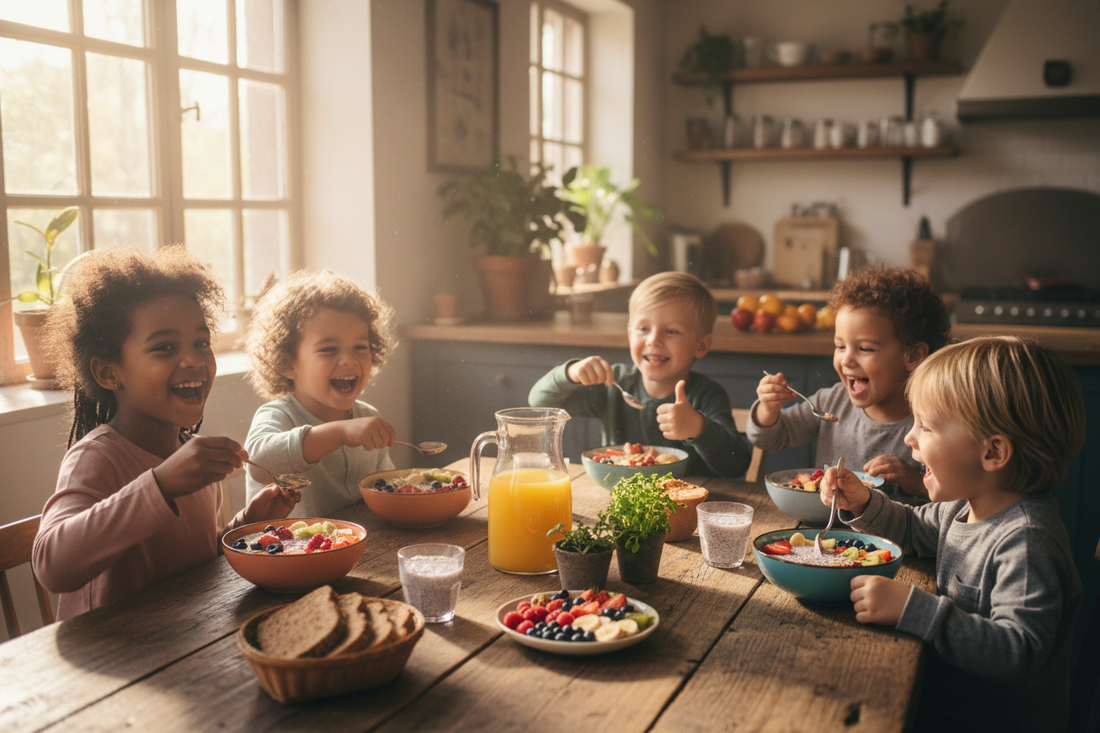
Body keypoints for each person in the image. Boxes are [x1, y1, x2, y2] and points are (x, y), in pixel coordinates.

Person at [821, 335, 1085, 732]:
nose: (909, 438)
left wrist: (914, 608)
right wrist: (861, 502)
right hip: (938, 701)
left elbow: (1020, 651)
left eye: (925, 427)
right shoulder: (964, 505)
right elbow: (912, 528)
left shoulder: (1027, 542)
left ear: (993, 453)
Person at [32, 245, 301, 620]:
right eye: (164, 347)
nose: (193, 360)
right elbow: (51, 565)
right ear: (109, 373)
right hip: (112, 659)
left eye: (201, 343)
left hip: (182, 642)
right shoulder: (97, 456)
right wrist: (162, 484)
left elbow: (196, 560)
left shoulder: (191, 455)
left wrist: (246, 524)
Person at [746, 265, 951, 505]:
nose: (847, 360)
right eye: (840, 346)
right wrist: (768, 409)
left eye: (865, 349)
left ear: (913, 355)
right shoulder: (832, 403)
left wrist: (916, 481)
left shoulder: (934, 422)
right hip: (828, 533)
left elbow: (955, 499)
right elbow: (770, 438)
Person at [528, 272, 750, 478]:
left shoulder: (707, 395)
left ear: (701, 346)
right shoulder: (613, 383)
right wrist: (569, 373)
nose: (654, 340)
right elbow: (539, 403)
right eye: (643, 329)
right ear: (629, 335)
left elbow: (737, 466)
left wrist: (698, 428)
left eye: (671, 331)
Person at [244, 269, 397, 517]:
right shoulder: (277, 416)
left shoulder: (367, 417)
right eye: (329, 349)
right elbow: (258, 463)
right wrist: (341, 432)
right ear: (287, 362)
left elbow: (385, 487)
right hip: (289, 552)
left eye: (360, 347)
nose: (348, 360)